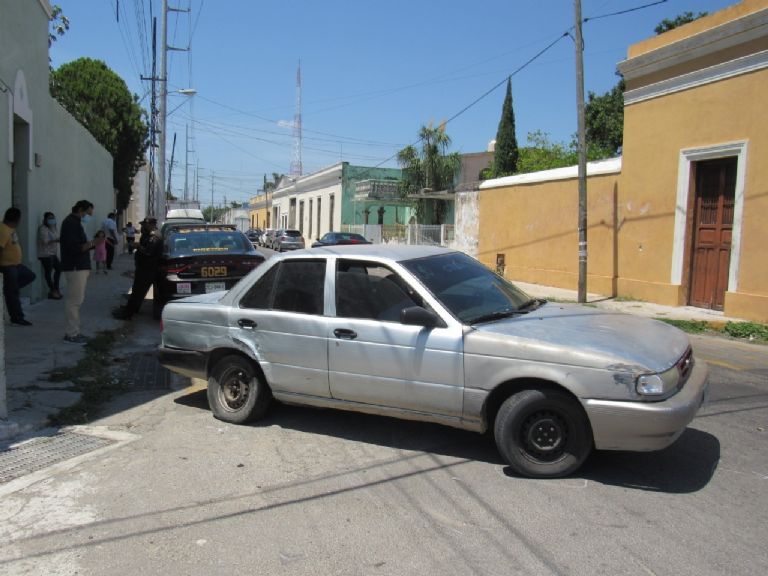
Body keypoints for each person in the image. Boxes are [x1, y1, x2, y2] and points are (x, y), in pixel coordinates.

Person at [60, 200, 103, 344]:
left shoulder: (74, 223)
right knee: (74, 302)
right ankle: (71, 334)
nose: (88, 217)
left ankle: (74, 332)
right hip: (75, 267)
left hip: (78, 266)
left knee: (76, 301)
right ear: (80, 210)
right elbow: (76, 248)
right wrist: (94, 243)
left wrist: (92, 244)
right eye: (87, 214)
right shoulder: (71, 224)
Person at [112, 217, 163, 320]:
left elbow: (148, 251)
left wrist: (138, 246)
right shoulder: (148, 234)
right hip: (144, 267)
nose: (142, 227)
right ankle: (131, 309)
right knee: (137, 290)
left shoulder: (154, 236)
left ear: (151, 225)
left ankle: (128, 314)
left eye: (144, 225)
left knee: (138, 291)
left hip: (148, 269)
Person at [0, 207, 36, 326]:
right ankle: (17, 318)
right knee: (13, 292)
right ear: (16, 219)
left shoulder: (10, 228)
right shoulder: (3, 230)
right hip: (8, 266)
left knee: (30, 276)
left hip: (16, 265)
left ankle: (9, 289)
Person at [37, 211, 63, 299]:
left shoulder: (53, 228)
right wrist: (56, 240)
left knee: (59, 268)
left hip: (53, 253)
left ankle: (56, 289)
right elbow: (45, 241)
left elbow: (57, 237)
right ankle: (52, 290)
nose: (52, 220)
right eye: (50, 218)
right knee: (48, 272)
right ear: (45, 219)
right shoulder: (43, 228)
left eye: (53, 218)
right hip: (45, 254)